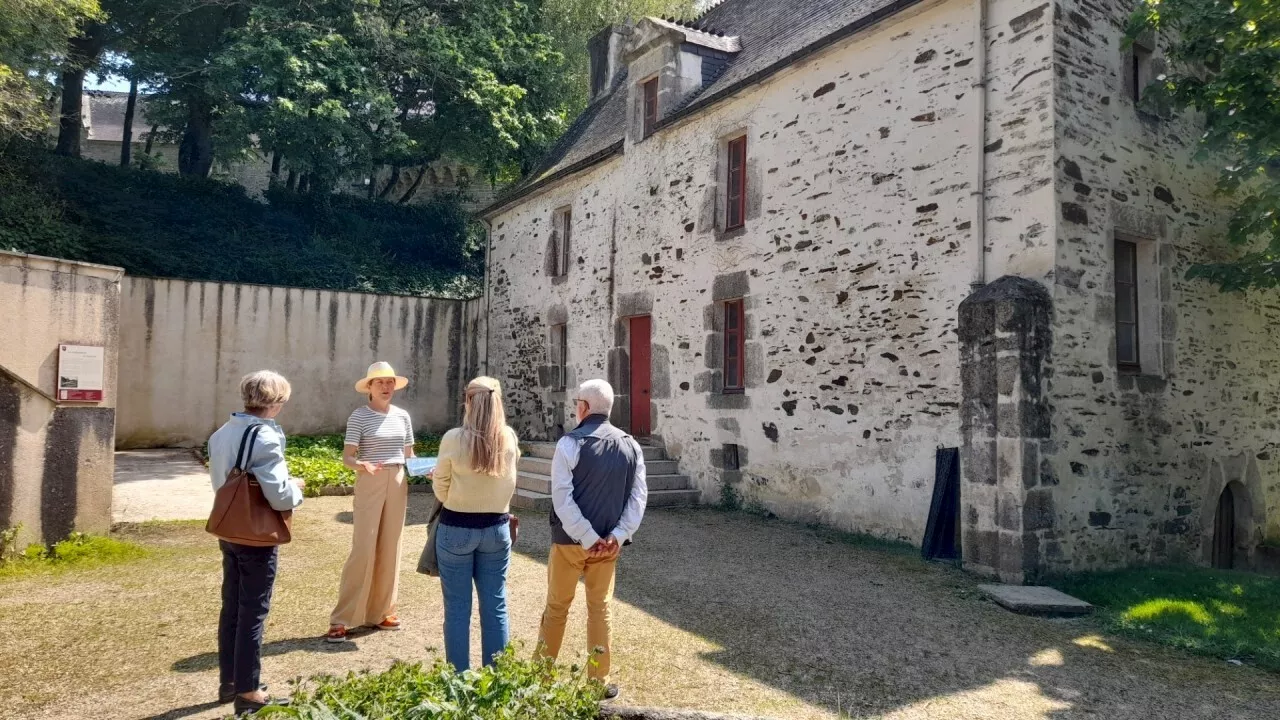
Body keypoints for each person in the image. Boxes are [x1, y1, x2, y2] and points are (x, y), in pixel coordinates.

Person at [534, 379, 647, 700]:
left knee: (557, 608)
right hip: (608, 543)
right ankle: (598, 681)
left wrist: (587, 536)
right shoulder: (631, 446)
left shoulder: (570, 444)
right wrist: (617, 535)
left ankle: (540, 678)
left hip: (570, 542)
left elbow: (562, 498)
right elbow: (638, 498)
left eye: (576, 404)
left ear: (583, 407)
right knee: (600, 609)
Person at [207, 370, 304, 714]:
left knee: (232, 606)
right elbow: (278, 495)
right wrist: (298, 489)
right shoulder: (263, 436)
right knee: (254, 611)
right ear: (276, 402)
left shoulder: (222, 432)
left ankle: (230, 681)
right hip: (256, 535)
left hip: (229, 528)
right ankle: (249, 692)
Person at [431, 377, 521, 671]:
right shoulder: (508, 437)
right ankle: (497, 677)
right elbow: (511, 483)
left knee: (457, 609)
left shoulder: (454, 439)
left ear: (468, 402)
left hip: (456, 526)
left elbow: (441, 488)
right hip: (496, 528)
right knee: (495, 606)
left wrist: (458, 498)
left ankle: (458, 678)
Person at [327, 361, 416, 643]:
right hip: (370, 479)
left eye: (390, 382)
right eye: (380, 383)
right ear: (369, 387)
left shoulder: (403, 416)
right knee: (363, 548)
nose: (386, 387)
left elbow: (409, 456)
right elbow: (347, 458)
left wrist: (430, 468)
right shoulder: (359, 417)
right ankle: (342, 619)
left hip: (398, 480)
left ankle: (382, 611)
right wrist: (362, 464)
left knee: (392, 546)